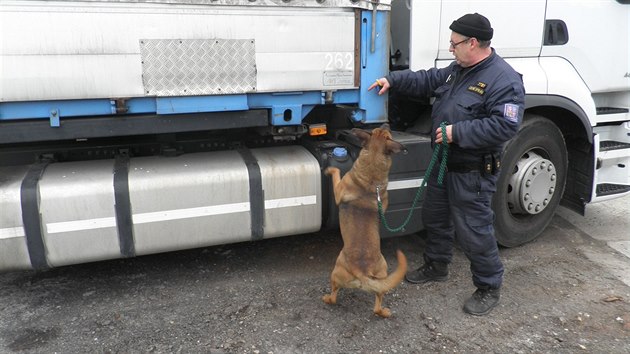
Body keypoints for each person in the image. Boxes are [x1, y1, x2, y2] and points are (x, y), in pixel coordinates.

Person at [368, 13, 525, 316]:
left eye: (454, 44)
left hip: (472, 170)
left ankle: (489, 286)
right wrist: (393, 79)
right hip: (444, 162)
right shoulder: (459, 70)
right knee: (435, 217)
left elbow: (505, 127)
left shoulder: (504, 80)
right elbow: (427, 79)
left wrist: (458, 132)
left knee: (473, 230)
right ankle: (437, 265)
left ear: (473, 42)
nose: (450, 49)